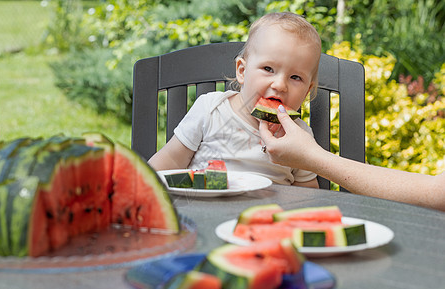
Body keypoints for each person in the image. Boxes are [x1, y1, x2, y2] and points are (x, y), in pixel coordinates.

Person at [148, 12, 321, 188]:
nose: (279, 85)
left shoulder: (299, 136)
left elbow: (309, 193)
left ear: (307, 90)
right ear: (241, 71)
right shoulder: (211, 109)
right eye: (268, 68)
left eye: (295, 77)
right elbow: (170, 161)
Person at [259, 105, 445, 211]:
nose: (280, 84)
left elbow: (438, 194)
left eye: (295, 77)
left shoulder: (302, 132)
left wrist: (310, 156)